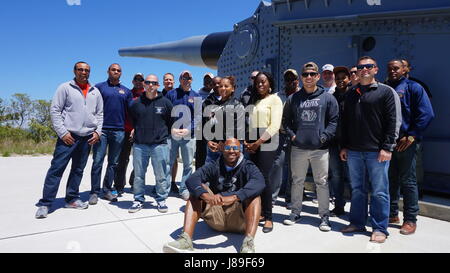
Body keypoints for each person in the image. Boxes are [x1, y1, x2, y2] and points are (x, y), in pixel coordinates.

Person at [162, 138, 265, 253]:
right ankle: (185, 240)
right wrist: (206, 196)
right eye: (227, 148)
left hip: (239, 220)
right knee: (198, 190)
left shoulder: (248, 166)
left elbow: (259, 182)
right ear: (222, 149)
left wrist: (235, 197)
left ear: (240, 150)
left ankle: (248, 244)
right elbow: (192, 179)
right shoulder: (214, 165)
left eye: (235, 148)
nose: (231, 151)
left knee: (254, 197)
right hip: (217, 216)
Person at [340, 56, 401, 243]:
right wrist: (344, 145)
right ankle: (357, 222)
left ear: (376, 69)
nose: (364, 69)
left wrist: (387, 147)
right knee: (357, 189)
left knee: (380, 191)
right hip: (354, 151)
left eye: (368, 66)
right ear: (357, 71)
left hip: (377, 151)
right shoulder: (351, 94)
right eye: (361, 67)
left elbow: (393, 122)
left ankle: (380, 228)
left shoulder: (386, 92)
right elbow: (346, 123)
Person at [35, 61, 103, 219]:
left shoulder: (95, 92)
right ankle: (45, 203)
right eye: (80, 69)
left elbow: (100, 114)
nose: (83, 72)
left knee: (78, 170)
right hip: (68, 137)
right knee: (56, 169)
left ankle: (71, 199)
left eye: (86, 70)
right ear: (74, 71)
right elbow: (55, 110)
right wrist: (62, 132)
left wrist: (98, 132)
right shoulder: (65, 88)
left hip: (87, 138)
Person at [282, 62, 338, 231]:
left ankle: (324, 217)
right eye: (305, 74)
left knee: (321, 183)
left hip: (319, 149)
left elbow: (334, 120)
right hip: (298, 148)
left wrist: (324, 137)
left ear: (317, 76)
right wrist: (292, 136)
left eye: (312, 74)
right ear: (301, 77)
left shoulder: (327, 98)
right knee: (297, 181)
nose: (308, 77)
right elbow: (286, 122)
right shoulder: (294, 99)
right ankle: (295, 212)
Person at [386, 59, 434, 235]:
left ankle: (410, 219)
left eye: (396, 68)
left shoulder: (414, 87)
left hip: (407, 143)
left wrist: (412, 135)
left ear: (405, 69)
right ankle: (391, 214)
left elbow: (427, 114)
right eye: (390, 68)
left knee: (408, 181)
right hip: (389, 143)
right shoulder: (386, 88)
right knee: (390, 180)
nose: (393, 71)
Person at [128, 74, 173, 213]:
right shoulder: (135, 103)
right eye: (148, 82)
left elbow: (170, 122)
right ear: (144, 85)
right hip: (140, 145)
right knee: (139, 175)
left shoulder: (165, 103)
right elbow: (133, 121)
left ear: (158, 85)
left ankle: (161, 200)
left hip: (159, 145)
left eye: (154, 82)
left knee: (161, 175)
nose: (151, 85)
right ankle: (138, 199)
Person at [245, 72, 283, 233]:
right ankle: (257, 212)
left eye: (263, 82)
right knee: (254, 178)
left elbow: (274, 125)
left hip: (267, 141)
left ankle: (269, 217)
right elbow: (249, 123)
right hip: (252, 141)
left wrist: (258, 143)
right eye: (258, 82)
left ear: (270, 84)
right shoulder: (254, 100)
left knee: (264, 178)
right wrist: (247, 142)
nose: (260, 85)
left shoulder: (274, 99)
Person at [90, 63, 132, 203]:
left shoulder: (126, 91)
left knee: (113, 163)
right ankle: (94, 192)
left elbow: (131, 112)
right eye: (113, 69)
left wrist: (133, 127)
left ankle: (107, 189)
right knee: (97, 161)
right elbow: (92, 108)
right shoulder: (99, 87)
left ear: (121, 73)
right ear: (108, 71)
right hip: (101, 130)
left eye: (118, 70)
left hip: (119, 131)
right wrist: (94, 128)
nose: (116, 72)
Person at [166, 70, 201, 200]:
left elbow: (198, 117)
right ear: (180, 79)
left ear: (192, 80)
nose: (186, 80)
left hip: (188, 136)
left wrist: (189, 129)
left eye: (189, 78)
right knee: (168, 162)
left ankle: (184, 189)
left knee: (187, 164)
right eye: (184, 77)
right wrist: (172, 129)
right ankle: (166, 187)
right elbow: (165, 113)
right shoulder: (171, 94)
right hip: (172, 135)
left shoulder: (196, 96)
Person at [271, 69, 300, 207]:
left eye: (292, 79)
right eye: (287, 79)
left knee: (294, 168)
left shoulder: (302, 94)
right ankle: (272, 199)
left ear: (297, 80)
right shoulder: (277, 96)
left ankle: (290, 198)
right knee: (277, 165)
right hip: (281, 134)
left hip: (296, 136)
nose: (290, 82)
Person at [114, 73, 145, 194]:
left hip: (141, 132)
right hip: (126, 131)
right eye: (136, 79)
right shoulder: (128, 93)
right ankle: (119, 185)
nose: (138, 82)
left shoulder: (147, 95)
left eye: (141, 80)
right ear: (133, 81)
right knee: (123, 159)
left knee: (139, 160)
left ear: (143, 82)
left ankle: (134, 183)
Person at [204, 76, 245, 163]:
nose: (223, 88)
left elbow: (238, 129)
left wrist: (224, 143)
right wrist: (208, 141)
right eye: (221, 86)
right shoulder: (214, 105)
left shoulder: (238, 105)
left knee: (229, 175)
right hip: (213, 148)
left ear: (233, 88)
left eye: (226, 86)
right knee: (210, 175)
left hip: (230, 148)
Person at [328, 66, 351, 216]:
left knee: (352, 177)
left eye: (343, 77)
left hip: (350, 144)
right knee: (336, 176)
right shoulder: (332, 97)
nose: (340, 80)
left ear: (349, 79)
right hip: (334, 143)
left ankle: (357, 209)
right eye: (338, 78)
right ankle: (339, 206)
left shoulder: (355, 95)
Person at [195, 74, 218, 170]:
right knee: (200, 155)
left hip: (214, 130)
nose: (208, 82)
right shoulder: (197, 94)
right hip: (200, 129)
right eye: (206, 79)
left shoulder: (216, 94)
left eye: (210, 80)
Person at [162, 72, 179, 194]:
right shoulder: (158, 94)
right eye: (166, 80)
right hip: (162, 132)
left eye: (171, 80)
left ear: (174, 82)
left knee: (174, 160)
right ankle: (162, 182)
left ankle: (173, 183)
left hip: (175, 133)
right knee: (161, 159)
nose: (169, 82)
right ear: (163, 82)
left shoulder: (177, 93)